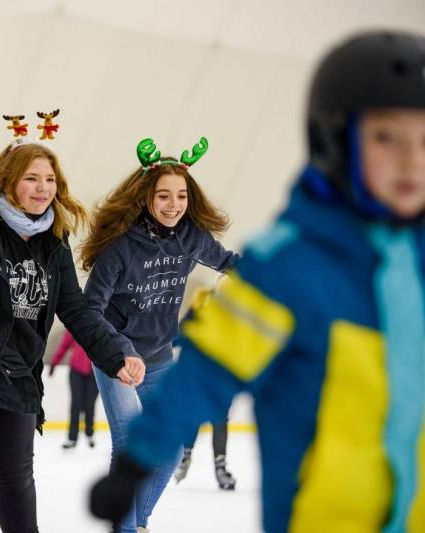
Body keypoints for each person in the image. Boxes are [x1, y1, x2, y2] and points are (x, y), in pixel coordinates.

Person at [90, 30, 425, 533]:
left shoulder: (413, 265)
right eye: (385, 137)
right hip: (321, 516)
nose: (411, 159)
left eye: (424, 138)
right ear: (334, 139)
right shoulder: (287, 266)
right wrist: (141, 453)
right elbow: (209, 367)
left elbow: (224, 258)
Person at [0, 120, 145, 533]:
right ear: (8, 182)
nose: (44, 188)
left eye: (50, 180)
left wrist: (116, 357)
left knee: (16, 473)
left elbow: (76, 309)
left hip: (18, 373)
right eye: (32, 178)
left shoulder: (53, 240)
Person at [79, 137, 238, 533]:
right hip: (117, 359)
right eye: (163, 196)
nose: (173, 205)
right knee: (132, 442)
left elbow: (229, 263)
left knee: (169, 446)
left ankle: (137, 524)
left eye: (181, 196)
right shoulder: (120, 248)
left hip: (160, 357)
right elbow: (89, 310)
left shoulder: (192, 237)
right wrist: (119, 352)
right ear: (146, 197)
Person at [172, 287, 236, 491]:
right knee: (195, 415)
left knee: (219, 419)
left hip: (222, 374)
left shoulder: (237, 316)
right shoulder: (201, 306)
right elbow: (180, 333)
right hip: (198, 372)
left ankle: (219, 466)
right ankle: (186, 455)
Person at [48, 329, 100, 449]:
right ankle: (72, 438)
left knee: (89, 403)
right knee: (76, 404)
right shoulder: (75, 322)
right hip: (76, 370)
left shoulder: (101, 323)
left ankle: (89, 433)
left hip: (95, 371)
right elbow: (64, 346)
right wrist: (54, 363)